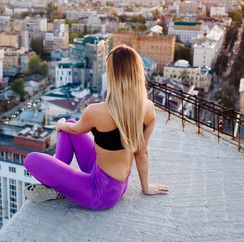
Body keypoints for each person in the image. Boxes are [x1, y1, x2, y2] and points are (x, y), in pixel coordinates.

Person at [24, 45, 169, 210]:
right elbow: (142, 153)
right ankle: (58, 184)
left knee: (31, 159)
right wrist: (146, 188)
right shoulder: (148, 108)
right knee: (69, 125)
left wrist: (59, 124)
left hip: (99, 194)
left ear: (112, 76)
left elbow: (76, 130)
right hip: (118, 183)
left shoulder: (96, 111)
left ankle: (57, 185)